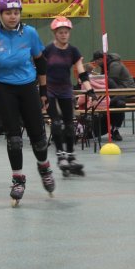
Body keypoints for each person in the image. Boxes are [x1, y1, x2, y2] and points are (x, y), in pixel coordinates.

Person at [0, 0, 55, 207]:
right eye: (8, 13)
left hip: (28, 87)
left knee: (38, 137)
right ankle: (18, 180)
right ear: (0, 15)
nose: (13, 16)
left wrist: (44, 91)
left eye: (16, 13)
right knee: (14, 138)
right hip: (3, 89)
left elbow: (40, 62)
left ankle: (44, 167)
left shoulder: (30, 33)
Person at [43, 17, 95, 177]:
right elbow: (40, 71)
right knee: (56, 123)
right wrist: (41, 91)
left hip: (66, 90)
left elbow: (82, 73)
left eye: (66, 32)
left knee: (70, 124)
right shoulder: (48, 50)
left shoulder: (73, 51)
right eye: (61, 32)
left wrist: (90, 90)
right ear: (55, 33)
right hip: (50, 90)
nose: (64, 35)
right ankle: (61, 156)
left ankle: (71, 157)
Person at [91, 50, 135, 141]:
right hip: (117, 90)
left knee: (117, 104)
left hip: (126, 90)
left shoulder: (114, 65)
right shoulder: (106, 65)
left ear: (100, 59)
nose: (95, 63)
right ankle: (113, 129)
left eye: (95, 61)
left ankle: (114, 129)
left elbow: (110, 82)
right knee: (114, 103)